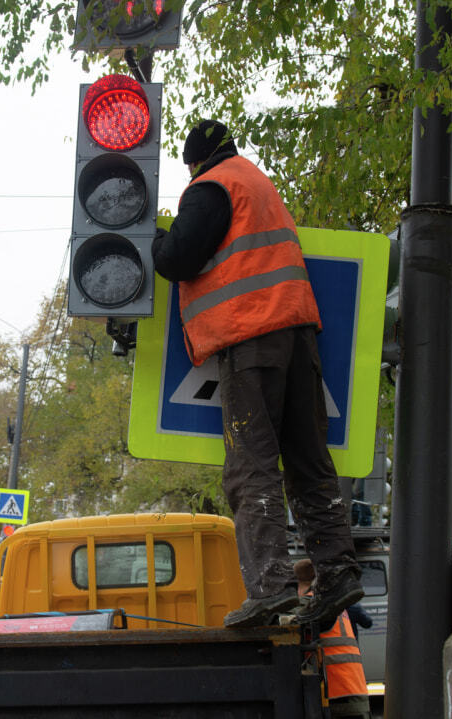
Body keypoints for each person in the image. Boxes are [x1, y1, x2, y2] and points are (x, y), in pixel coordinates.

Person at [152, 119, 363, 630]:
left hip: (250, 337)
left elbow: (179, 258)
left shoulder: (211, 187)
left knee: (251, 466)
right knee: (309, 462)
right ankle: (337, 573)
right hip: (296, 336)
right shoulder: (258, 183)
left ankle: (270, 588)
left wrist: (155, 243)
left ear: (195, 162)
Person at [294, 559, 369, 719]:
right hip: (352, 684)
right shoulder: (330, 602)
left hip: (337, 688)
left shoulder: (310, 604)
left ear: (299, 584)